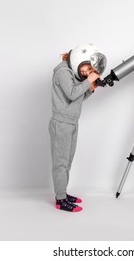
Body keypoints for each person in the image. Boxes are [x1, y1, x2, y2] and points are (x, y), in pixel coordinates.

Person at [49, 44, 107, 212]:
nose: (87, 72)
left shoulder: (72, 74)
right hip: (61, 124)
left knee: (67, 162)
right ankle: (60, 200)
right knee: (60, 164)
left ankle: (63, 193)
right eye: (87, 68)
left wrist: (91, 88)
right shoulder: (62, 72)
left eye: (90, 70)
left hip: (72, 122)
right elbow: (72, 93)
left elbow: (76, 99)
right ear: (78, 60)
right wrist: (88, 81)